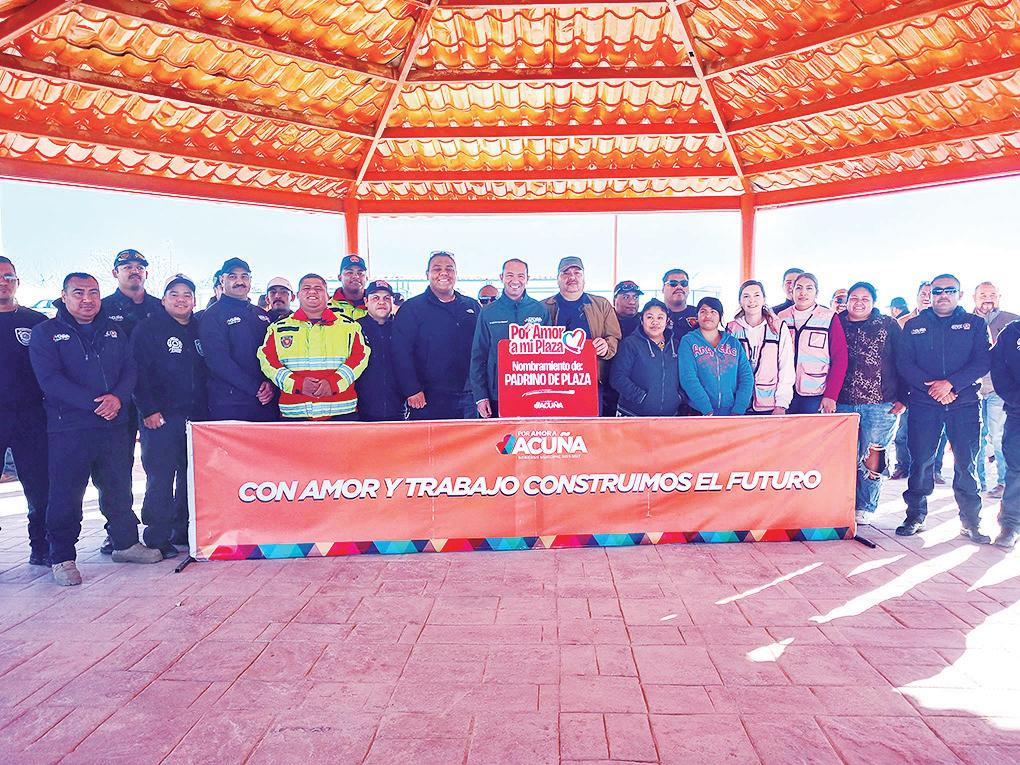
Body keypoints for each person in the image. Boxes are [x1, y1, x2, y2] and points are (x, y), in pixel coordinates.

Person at [29, 273, 162, 586]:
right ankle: (62, 556)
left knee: (118, 487)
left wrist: (118, 398)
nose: (87, 299)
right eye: (78, 293)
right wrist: (95, 404)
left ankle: (125, 543)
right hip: (69, 428)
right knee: (66, 494)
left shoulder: (114, 330)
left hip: (113, 425)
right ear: (64, 296)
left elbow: (130, 368)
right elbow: (50, 380)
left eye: (93, 292)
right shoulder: (46, 333)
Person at [896, 274, 990, 540]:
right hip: (924, 404)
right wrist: (933, 389)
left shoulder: (974, 323)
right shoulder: (914, 325)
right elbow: (904, 363)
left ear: (960, 294)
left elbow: (983, 361)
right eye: (937, 291)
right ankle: (915, 516)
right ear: (930, 295)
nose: (943, 295)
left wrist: (951, 384)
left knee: (966, 464)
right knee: (921, 462)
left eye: (950, 290)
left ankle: (971, 522)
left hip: (965, 403)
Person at [131, 274, 207, 558]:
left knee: (191, 476)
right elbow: (137, 372)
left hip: (196, 417)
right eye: (174, 294)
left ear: (194, 301)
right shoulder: (148, 328)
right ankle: (157, 536)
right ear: (163, 300)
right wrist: (148, 409)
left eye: (187, 295)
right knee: (161, 477)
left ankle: (183, 530)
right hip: (160, 417)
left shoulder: (200, 328)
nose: (181, 300)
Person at [100, 248, 163, 554]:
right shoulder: (102, 307)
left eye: (139, 266)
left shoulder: (159, 306)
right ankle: (118, 531)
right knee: (115, 470)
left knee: (159, 466)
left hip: (155, 399)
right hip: (119, 400)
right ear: (116, 273)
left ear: (146, 273)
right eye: (127, 267)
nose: (134, 270)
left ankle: (161, 528)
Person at [836, 282, 906, 525]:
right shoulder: (836, 323)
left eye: (865, 298)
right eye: (854, 297)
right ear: (847, 301)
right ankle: (841, 503)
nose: (859, 302)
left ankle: (866, 506)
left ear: (874, 302)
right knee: (842, 456)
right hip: (841, 403)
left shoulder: (888, 324)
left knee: (873, 455)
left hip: (881, 404)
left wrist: (904, 397)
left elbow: (904, 359)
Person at [258, 274, 370, 421]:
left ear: (328, 295)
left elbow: (360, 357)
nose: (312, 291)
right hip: (295, 415)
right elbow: (267, 361)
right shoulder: (278, 328)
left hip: (342, 414)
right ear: (298, 295)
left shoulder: (349, 326)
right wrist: (296, 384)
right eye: (306, 288)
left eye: (318, 288)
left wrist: (334, 383)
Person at [0, 257, 50, 566]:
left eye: (8, 276)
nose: (3, 282)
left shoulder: (36, 322)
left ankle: (42, 547)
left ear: (17, 282)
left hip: (31, 415)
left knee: (40, 486)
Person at [392, 252, 480, 420]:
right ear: (427, 274)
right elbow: (400, 353)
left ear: (456, 273)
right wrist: (412, 389)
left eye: (449, 268)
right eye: (437, 268)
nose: (444, 273)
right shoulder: (411, 308)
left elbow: (482, 349)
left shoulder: (472, 306)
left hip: (468, 396)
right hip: (426, 398)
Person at [199, 257, 276, 421]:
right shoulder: (213, 315)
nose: (239, 281)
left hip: (266, 401)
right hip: (231, 404)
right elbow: (218, 361)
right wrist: (255, 388)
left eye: (244, 276)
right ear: (222, 280)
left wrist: (270, 386)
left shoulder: (261, 315)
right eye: (233, 276)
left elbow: (274, 355)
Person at [470, 259, 547, 418]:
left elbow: (551, 355)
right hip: (497, 395)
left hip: (533, 392)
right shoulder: (488, 312)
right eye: (510, 275)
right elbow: (478, 357)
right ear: (501, 277)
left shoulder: (540, 310)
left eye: (520, 276)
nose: (515, 280)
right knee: (499, 435)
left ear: (527, 278)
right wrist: (481, 396)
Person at [542, 257, 622, 405]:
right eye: (566, 273)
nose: (572, 277)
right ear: (557, 279)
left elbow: (614, 337)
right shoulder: (542, 307)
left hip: (592, 382)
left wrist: (606, 347)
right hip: (552, 383)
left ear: (584, 278)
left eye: (577, 273)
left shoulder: (602, 305)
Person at [776, 272, 849, 414]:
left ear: (816, 293)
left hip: (815, 392)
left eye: (809, 288)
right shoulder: (781, 317)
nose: (803, 293)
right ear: (792, 291)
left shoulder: (829, 317)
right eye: (798, 288)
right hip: (784, 392)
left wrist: (831, 395)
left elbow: (840, 358)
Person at [973, 281, 1018, 498]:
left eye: (992, 294)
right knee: (976, 440)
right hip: (972, 390)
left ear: (999, 296)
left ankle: (1004, 483)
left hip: (999, 392)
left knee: (999, 438)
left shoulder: (1012, 322)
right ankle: (977, 482)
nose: (987, 298)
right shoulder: (968, 321)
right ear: (974, 298)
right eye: (982, 294)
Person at [727, 280, 794, 415]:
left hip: (770, 405)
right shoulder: (731, 329)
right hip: (738, 405)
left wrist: (781, 404)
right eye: (746, 296)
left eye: (757, 295)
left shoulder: (779, 327)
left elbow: (786, 367)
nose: (752, 300)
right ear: (740, 301)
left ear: (764, 299)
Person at [679, 297, 753, 416]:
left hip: (732, 413)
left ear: (720, 316)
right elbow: (688, 378)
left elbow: (746, 377)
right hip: (699, 412)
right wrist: (706, 409)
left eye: (713, 311)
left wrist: (738, 410)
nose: (708, 315)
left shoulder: (734, 343)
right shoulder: (688, 341)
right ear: (697, 316)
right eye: (703, 311)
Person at [610, 299, 684, 417]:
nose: (655, 322)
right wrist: (640, 397)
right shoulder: (630, 343)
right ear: (642, 320)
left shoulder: (676, 346)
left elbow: (686, 376)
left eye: (660, 318)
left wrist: (678, 397)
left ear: (667, 321)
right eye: (649, 317)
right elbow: (617, 377)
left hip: (669, 417)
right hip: (633, 415)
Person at [990, 317, 1020, 548]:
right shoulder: (1012, 332)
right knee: (1017, 470)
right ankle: (1010, 525)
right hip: (1018, 412)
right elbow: (999, 370)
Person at [357, 280, 404, 421]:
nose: (381, 302)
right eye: (375, 298)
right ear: (366, 301)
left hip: (398, 408)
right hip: (362, 410)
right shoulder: (355, 328)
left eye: (386, 298)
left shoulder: (402, 328)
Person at [602, 280, 644, 416]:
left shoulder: (647, 322)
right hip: (608, 393)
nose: (632, 301)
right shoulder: (603, 320)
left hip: (638, 393)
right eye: (626, 297)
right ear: (614, 300)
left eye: (635, 297)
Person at [328, 254, 368, 321]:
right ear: (339, 277)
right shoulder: (326, 307)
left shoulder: (378, 305)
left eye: (360, 273)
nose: (356, 276)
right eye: (350, 272)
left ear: (366, 278)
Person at [661, 268, 698, 338]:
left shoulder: (699, 315)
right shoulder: (651, 315)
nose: (679, 287)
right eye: (673, 283)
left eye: (684, 283)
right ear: (663, 289)